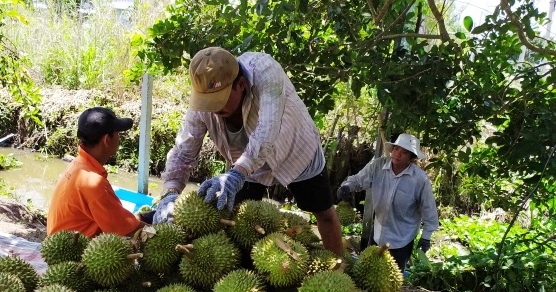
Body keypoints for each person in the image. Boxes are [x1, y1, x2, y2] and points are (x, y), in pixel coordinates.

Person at [152, 47, 343, 256]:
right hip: (244, 159)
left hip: (295, 148)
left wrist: (235, 175)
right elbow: (183, 150)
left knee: (323, 212)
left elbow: (267, 132)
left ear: (241, 85)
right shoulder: (203, 102)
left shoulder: (266, 72)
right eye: (209, 103)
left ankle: (338, 267)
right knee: (237, 221)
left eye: (220, 103)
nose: (215, 110)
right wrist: (169, 193)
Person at [336, 133, 438, 271]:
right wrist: (347, 186)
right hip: (378, 232)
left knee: (390, 282)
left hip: (402, 239)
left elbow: (429, 210)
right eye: (396, 149)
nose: (398, 154)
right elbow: (358, 180)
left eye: (404, 152)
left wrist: (426, 237)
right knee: (367, 272)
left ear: (411, 158)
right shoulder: (377, 166)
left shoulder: (419, 180)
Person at [47, 107, 147, 238]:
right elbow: (128, 230)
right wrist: (158, 229)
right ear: (107, 140)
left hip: (60, 242)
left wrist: (145, 216)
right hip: (76, 253)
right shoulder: (94, 183)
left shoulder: (78, 165)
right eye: (118, 133)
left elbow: (119, 219)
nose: (119, 138)